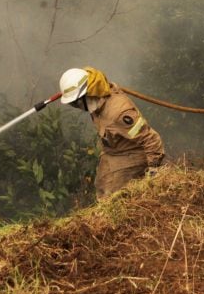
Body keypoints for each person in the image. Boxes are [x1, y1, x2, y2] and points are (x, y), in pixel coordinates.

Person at [59, 66, 165, 199]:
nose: (77, 107)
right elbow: (83, 78)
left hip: (132, 154)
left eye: (76, 103)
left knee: (113, 196)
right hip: (113, 151)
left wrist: (153, 168)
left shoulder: (119, 113)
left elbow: (150, 138)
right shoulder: (96, 95)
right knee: (101, 186)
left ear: (87, 95)